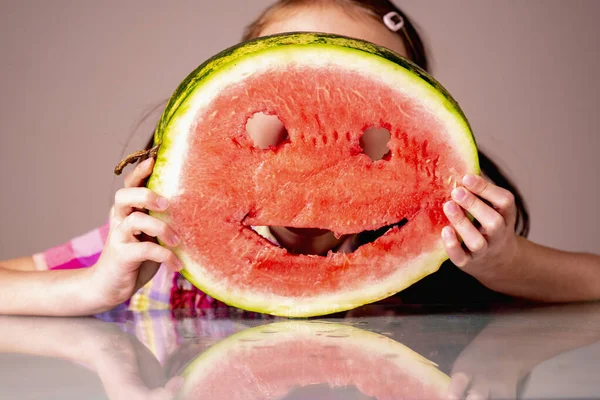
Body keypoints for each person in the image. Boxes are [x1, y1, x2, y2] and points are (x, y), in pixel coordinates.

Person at [1, 0, 599, 316]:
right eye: (288, 86)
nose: (324, 128)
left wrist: (506, 263)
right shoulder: (159, 244)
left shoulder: (442, 249)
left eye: (365, 96)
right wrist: (95, 288)